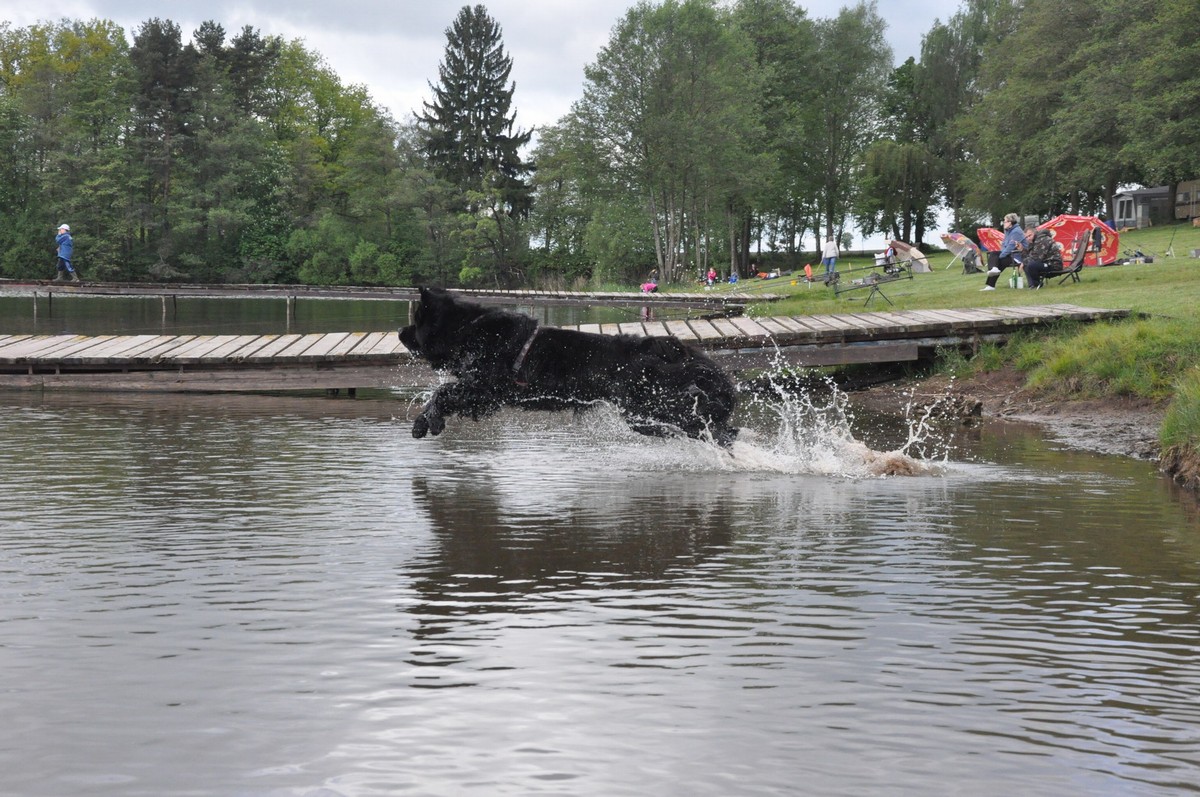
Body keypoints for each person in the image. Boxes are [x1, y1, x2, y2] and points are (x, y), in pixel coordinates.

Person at [981, 213, 1025, 291]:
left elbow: (1011, 247)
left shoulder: (1016, 231)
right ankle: (993, 271)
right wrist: (1001, 254)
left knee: (998, 259)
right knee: (994, 254)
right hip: (1010, 255)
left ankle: (991, 285)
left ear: (1010, 222)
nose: (1003, 223)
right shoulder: (1008, 231)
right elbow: (1004, 245)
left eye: (1005, 221)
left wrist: (1000, 255)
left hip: (1017, 256)